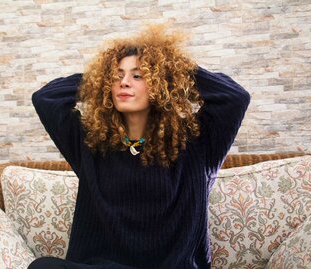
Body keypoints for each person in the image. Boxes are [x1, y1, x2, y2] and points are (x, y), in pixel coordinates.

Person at [28, 25, 250, 269]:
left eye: (137, 75)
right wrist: (97, 76)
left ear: (160, 83)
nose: (123, 82)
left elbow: (234, 97)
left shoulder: (200, 145)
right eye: (115, 75)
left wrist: (173, 71)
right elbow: (46, 98)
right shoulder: (90, 145)